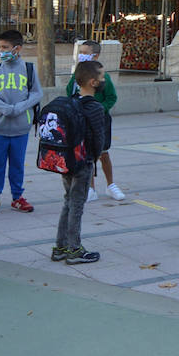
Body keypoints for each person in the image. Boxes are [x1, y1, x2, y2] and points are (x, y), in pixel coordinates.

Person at [0, 29, 42, 216]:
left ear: (17, 48)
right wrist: (5, 108)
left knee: (17, 164)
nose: (2, 51)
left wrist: (20, 107)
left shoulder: (29, 69)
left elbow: (37, 93)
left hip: (21, 128)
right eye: (0, 47)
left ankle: (17, 197)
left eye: (5, 47)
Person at [53, 60, 109, 264]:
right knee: (77, 205)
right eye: (102, 77)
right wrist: (94, 158)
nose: (105, 80)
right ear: (93, 82)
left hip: (66, 160)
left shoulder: (72, 101)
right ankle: (74, 249)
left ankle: (60, 246)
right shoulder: (94, 107)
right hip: (82, 161)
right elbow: (99, 138)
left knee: (68, 201)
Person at [66, 40, 123, 201]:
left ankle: (111, 185)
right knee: (86, 154)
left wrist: (98, 109)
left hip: (99, 121)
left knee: (103, 153)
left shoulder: (103, 77)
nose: (81, 55)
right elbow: (69, 92)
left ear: (95, 55)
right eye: (80, 52)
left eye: (85, 52)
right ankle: (90, 187)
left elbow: (111, 98)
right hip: (81, 120)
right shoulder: (76, 75)